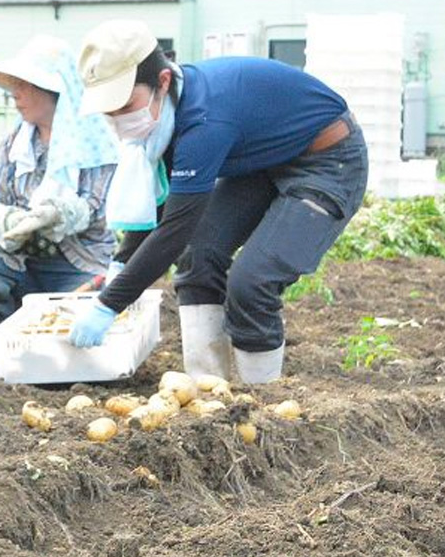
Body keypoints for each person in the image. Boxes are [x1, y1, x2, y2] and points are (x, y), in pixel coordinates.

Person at [67, 20, 368, 385]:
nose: (118, 120)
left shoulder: (204, 122)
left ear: (162, 81)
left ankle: (262, 398)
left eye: (125, 105)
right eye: (109, 112)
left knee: (252, 281)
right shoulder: (166, 117)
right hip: (263, 162)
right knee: (198, 256)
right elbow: (165, 208)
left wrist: (108, 304)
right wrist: (122, 261)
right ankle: (209, 390)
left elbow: (176, 229)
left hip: (327, 160)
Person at [0, 35, 120, 328]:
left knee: (99, 300)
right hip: (19, 263)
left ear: (52, 90)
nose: (15, 95)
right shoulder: (15, 143)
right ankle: (9, 325)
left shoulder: (95, 142)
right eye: (14, 86)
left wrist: (55, 214)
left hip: (78, 266)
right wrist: (8, 222)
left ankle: (49, 321)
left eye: (23, 85)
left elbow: (95, 207)